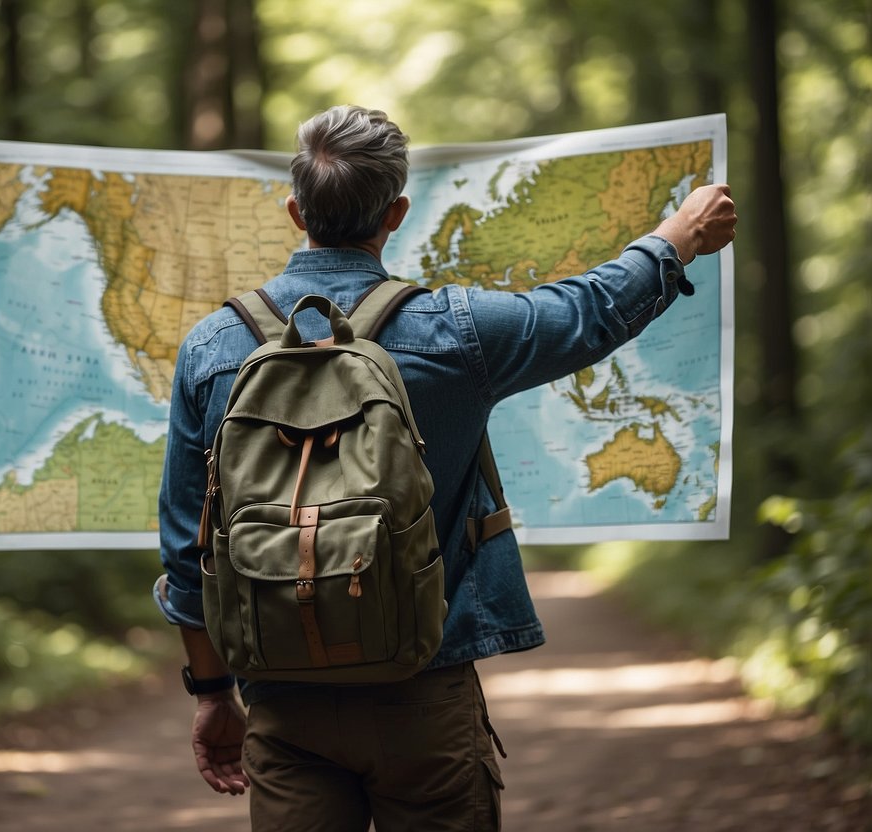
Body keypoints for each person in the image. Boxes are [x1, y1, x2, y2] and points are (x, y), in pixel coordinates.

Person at [152, 105, 737, 831]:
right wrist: (676, 237)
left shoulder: (210, 347)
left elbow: (187, 549)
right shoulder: (452, 332)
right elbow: (585, 312)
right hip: (422, 689)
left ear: (295, 210)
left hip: (282, 694)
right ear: (395, 212)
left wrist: (211, 693)